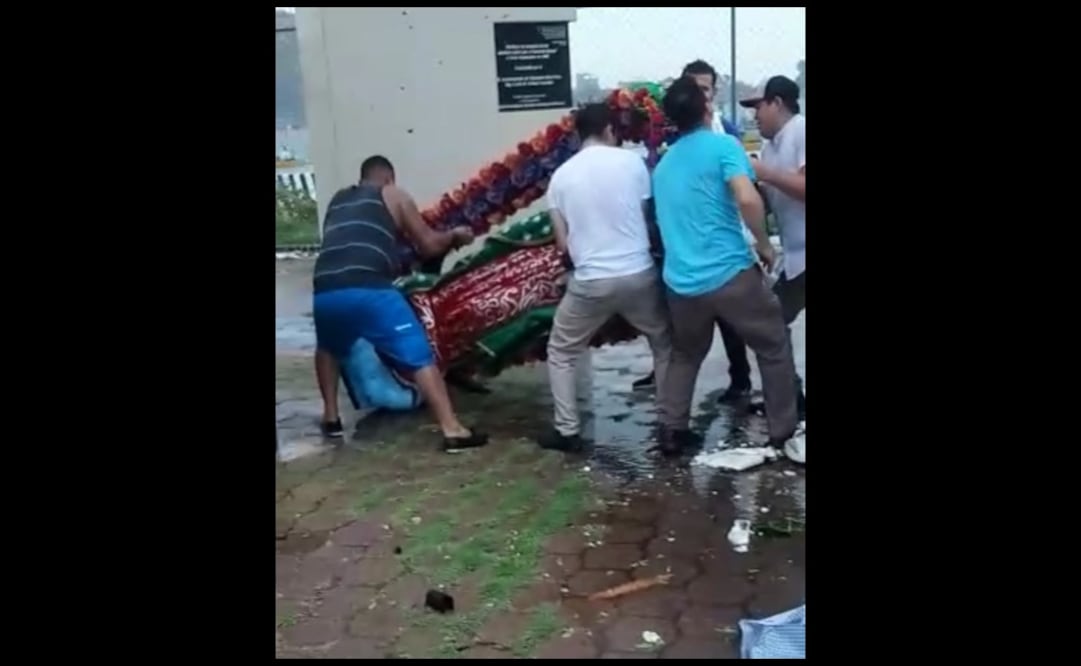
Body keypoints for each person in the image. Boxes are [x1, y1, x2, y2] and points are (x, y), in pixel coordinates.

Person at [651, 77, 799, 454]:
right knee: (772, 344)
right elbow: (748, 199)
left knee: (686, 354)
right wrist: (764, 245)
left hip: (681, 284)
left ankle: (672, 430)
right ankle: (781, 431)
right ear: (705, 109)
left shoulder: (664, 165)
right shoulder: (724, 147)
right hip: (730, 274)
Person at [312, 155, 488, 452]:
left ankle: (331, 417)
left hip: (325, 288)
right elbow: (429, 245)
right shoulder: (393, 193)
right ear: (388, 178)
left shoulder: (338, 200)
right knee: (418, 353)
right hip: (369, 286)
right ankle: (452, 429)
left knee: (328, 346)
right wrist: (455, 235)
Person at [541, 103, 674, 452]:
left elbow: (562, 242)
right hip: (638, 273)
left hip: (591, 282)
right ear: (611, 131)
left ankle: (567, 431)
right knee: (663, 344)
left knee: (561, 350)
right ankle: (667, 423)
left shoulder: (559, 179)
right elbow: (646, 214)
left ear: (577, 135)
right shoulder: (632, 164)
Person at [631, 59, 755, 405]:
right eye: (694, 88)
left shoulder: (726, 132)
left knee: (729, 319)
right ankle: (664, 376)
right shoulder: (669, 136)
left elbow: (743, 190)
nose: (700, 95)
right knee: (678, 323)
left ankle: (740, 377)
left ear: (714, 92)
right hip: (680, 238)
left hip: (722, 240)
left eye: (705, 88)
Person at [733, 76, 807, 420]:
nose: (753, 116)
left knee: (771, 322)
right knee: (771, 323)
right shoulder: (770, 145)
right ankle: (790, 398)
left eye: (757, 107)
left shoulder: (801, 130)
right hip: (795, 256)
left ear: (777, 103)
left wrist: (766, 173)